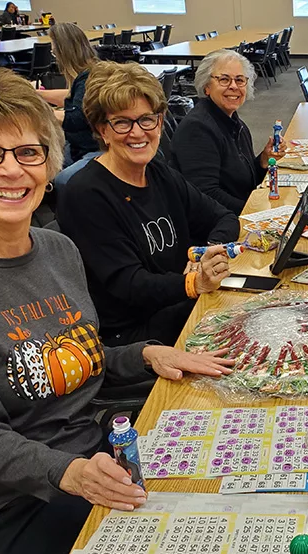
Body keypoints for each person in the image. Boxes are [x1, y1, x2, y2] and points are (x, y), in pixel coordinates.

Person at [0, 67, 236, 554]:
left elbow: (74, 356)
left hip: (86, 455)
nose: (11, 170)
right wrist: (68, 472)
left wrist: (145, 354)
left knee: (227, 502)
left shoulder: (56, 250)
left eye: (28, 152)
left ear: (48, 164)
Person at [58, 61, 241, 347]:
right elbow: (128, 284)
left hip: (177, 305)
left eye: (147, 119)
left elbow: (224, 218)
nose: (138, 133)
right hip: (135, 334)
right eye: (121, 122)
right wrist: (193, 283)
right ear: (101, 129)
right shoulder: (85, 194)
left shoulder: (158, 172)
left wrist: (205, 257)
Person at [171, 49, 286, 216]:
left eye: (240, 80)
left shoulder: (233, 121)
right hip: (214, 226)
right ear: (207, 87)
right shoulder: (198, 128)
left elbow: (241, 181)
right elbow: (206, 195)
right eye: (224, 79)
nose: (233, 86)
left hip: (234, 213)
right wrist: (254, 211)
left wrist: (263, 161)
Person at [38, 22, 100, 166]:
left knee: (50, 170)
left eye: (55, 53)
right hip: (82, 145)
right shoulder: (92, 69)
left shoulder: (88, 77)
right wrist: (36, 94)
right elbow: (72, 96)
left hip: (89, 149)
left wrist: (37, 110)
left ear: (64, 53)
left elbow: (75, 118)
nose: (55, 58)